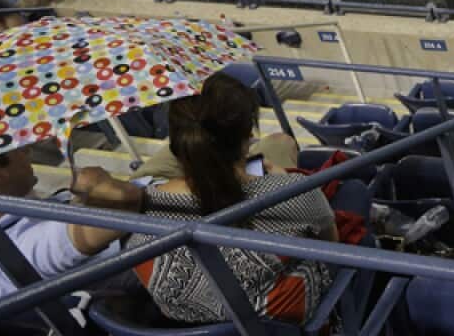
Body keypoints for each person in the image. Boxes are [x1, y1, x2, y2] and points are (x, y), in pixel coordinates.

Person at [125, 74, 336, 324]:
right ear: (247, 140)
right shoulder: (291, 191)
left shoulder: (140, 210)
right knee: (354, 192)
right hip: (281, 323)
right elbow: (332, 246)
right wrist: (285, 181)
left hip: (186, 327)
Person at [0, 145, 144, 304]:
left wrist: (81, 202)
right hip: (151, 255)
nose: (27, 149)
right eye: (15, 149)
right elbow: (122, 203)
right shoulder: (9, 251)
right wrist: (94, 180)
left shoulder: (16, 220)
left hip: (145, 194)